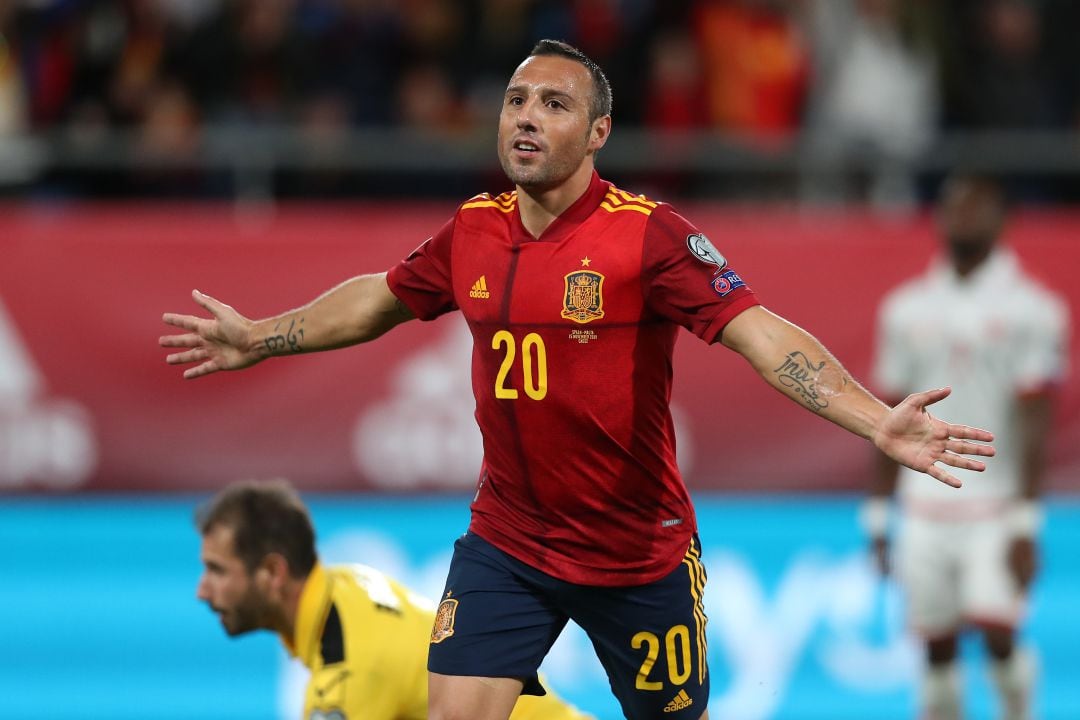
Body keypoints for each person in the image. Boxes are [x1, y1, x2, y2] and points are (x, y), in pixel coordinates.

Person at [162, 40, 995, 720]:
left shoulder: (650, 238)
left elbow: (764, 338)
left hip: (637, 554)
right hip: (509, 541)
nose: (527, 118)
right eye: (517, 101)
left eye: (554, 105)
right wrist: (261, 338)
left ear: (598, 132)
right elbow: (377, 301)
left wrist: (874, 420)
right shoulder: (474, 230)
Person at [865, 174, 1069, 720]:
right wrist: (878, 517)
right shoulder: (904, 309)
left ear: (1002, 220)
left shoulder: (1034, 309)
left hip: (994, 506)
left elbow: (1035, 422)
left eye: (976, 208)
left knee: (998, 633)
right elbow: (886, 419)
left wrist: (1026, 524)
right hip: (924, 505)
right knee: (935, 648)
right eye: (953, 208)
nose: (962, 218)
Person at [195, 477, 593, 720]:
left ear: (273, 573)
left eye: (217, 570)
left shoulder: (346, 673)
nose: (202, 590)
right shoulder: (346, 589)